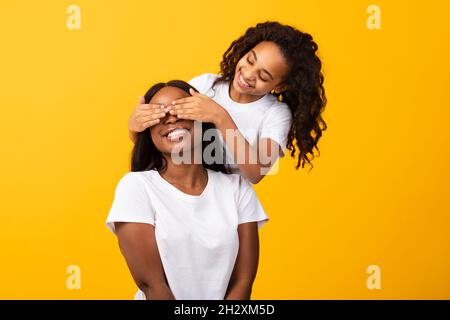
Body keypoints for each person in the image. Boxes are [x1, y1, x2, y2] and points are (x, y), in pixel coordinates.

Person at [106, 80, 269, 300]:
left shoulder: (237, 189)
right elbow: (152, 284)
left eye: (181, 109)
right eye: (160, 115)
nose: (171, 118)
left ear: (203, 120)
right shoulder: (136, 188)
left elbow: (242, 283)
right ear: (149, 133)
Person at [128, 21, 327, 183]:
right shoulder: (206, 85)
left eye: (263, 76)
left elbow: (256, 172)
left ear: (280, 87)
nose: (248, 74)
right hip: (185, 188)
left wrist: (219, 116)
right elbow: (162, 139)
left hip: (231, 205)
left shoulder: (275, 114)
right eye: (250, 60)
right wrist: (134, 127)